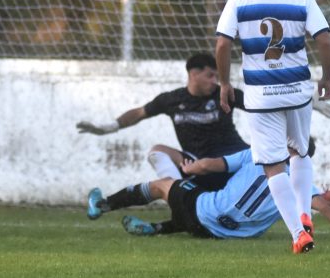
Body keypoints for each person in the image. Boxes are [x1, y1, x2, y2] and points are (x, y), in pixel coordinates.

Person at [215, 0, 330, 254]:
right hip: (297, 92)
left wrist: (225, 83)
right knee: (300, 152)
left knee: (273, 167)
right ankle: (305, 213)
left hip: (261, 96)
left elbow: (223, 45)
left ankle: (298, 233)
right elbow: (324, 41)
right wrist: (327, 78)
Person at [87, 145, 330, 243]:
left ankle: (103, 205)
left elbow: (210, 165)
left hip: (203, 214)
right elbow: (326, 207)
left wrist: (191, 167)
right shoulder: (301, 182)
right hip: (224, 235)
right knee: (205, 213)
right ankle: (156, 228)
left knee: (165, 185)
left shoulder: (257, 153)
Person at [76, 52, 251, 187]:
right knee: (157, 151)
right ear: (194, 74)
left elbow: (258, 107)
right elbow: (139, 113)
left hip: (232, 162)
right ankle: (179, 195)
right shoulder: (172, 100)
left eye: (217, 77)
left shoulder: (225, 94)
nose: (215, 81)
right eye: (210, 75)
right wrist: (108, 127)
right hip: (196, 165)